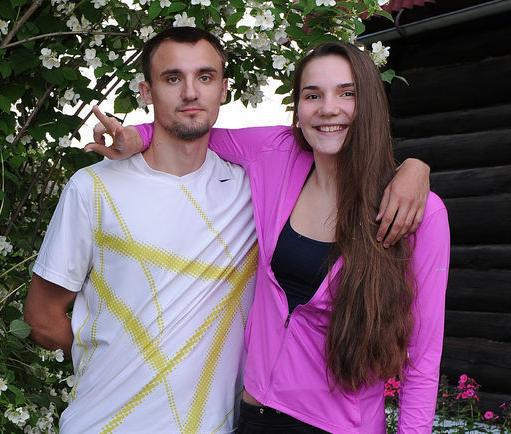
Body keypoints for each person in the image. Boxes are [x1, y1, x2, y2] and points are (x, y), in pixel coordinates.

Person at [29, 27, 429, 433]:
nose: (190, 92)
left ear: (222, 89)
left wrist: (415, 166)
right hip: (116, 423)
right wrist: (138, 134)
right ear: (147, 91)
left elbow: (423, 359)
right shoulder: (96, 188)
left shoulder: (248, 186)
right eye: (172, 78)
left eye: (204, 77)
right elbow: (42, 317)